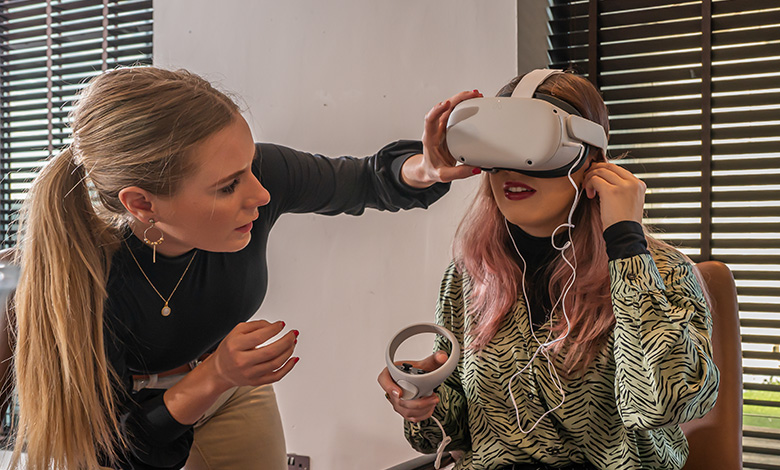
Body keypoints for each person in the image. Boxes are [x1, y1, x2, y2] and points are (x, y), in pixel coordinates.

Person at [3, 66, 482, 470]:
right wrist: (214, 375)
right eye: (228, 186)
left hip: (228, 383)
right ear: (143, 204)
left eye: (251, 166)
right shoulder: (84, 284)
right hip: (127, 420)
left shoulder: (258, 178)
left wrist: (425, 168)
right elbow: (119, 450)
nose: (262, 193)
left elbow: (364, 180)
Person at [378, 71, 720, 470]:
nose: (513, 170)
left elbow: (664, 404)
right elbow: (450, 433)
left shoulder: (660, 270)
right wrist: (422, 398)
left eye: (534, 147)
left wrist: (626, 245)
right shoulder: (471, 274)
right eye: (498, 150)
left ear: (590, 160)